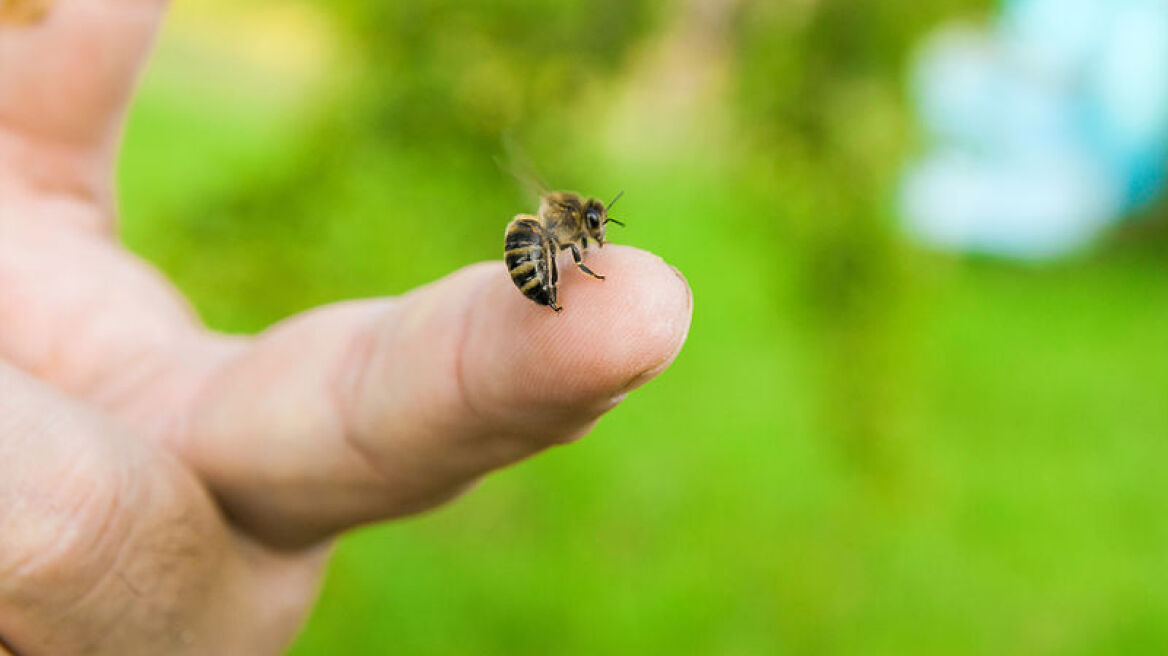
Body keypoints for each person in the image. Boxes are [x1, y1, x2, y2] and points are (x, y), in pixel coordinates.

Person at [0, 2, 692, 653]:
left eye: (593, 233)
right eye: (593, 230)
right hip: (531, 258)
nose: (596, 236)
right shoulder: (559, 229)